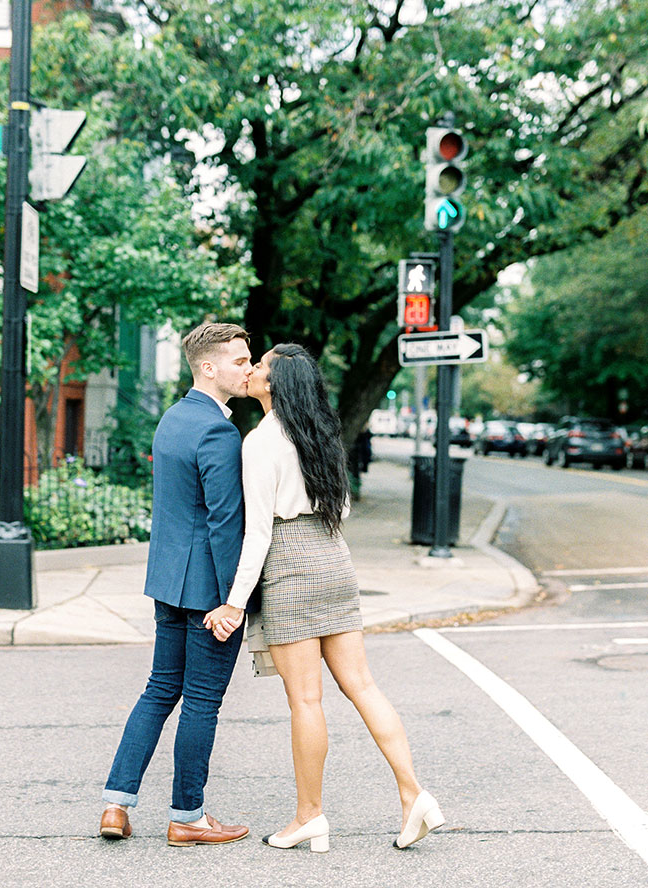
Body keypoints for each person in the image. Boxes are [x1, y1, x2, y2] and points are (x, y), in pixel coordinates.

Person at [205, 343, 444, 852]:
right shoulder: (322, 434)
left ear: (275, 384)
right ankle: (413, 794)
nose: (251, 372)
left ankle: (309, 816)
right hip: (334, 557)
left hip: (291, 565)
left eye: (261, 367)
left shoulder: (260, 441)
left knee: (306, 700)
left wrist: (234, 602)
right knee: (363, 686)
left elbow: (259, 535)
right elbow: (345, 508)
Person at [99, 322, 253, 847]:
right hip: (208, 590)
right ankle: (188, 815)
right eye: (239, 360)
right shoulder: (218, 430)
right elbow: (223, 522)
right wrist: (236, 598)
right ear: (208, 367)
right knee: (202, 702)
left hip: (167, 582)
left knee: (159, 690)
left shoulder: (171, 419)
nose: (248, 368)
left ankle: (116, 806)